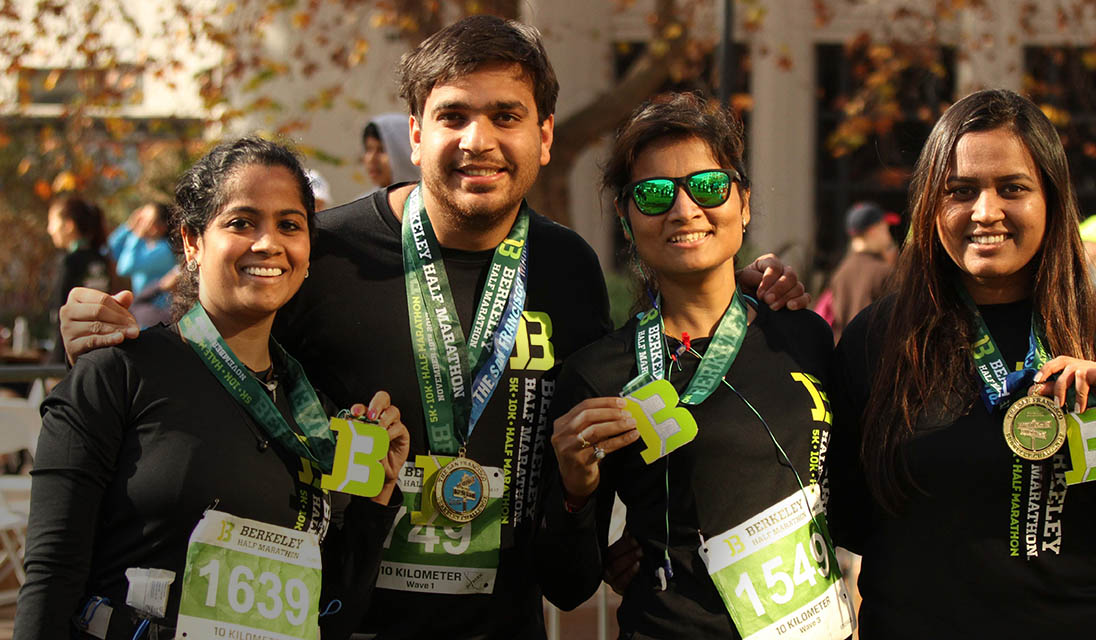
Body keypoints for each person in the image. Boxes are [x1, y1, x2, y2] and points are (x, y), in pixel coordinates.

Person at [55, 16, 807, 640]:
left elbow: (627, 390)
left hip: (504, 624)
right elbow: (217, 364)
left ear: (545, 136)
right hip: (332, 620)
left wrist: (727, 285)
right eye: (453, 115)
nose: (477, 140)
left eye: (505, 116)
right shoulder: (329, 252)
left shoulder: (567, 268)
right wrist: (102, 328)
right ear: (415, 132)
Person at [827, 89, 1096, 638]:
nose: (985, 211)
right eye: (961, 190)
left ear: (1050, 197)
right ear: (931, 204)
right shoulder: (876, 340)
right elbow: (850, 518)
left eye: (1013, 188)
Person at [17, 137, 411, 639]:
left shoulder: (319, 418)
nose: (267, 243)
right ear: (191, 242)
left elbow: (333, 614)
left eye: (289, 225)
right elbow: (50, 577)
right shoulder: (115, 373)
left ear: (308, 252)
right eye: (241, 223)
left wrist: (376, 500)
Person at [541, 93, 853, 639]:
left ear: (744, 202)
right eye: (656, 194)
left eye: (709, 187)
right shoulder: (599, 373)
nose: (685, 210)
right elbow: (568, 586)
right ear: (625, 215)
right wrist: (575, 493)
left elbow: (851, 501)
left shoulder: (803, 336)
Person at [45, 195, 115, 364]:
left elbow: (61, 313)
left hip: (69, 355)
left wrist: (57, 360)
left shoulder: (70, 262)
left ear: (68, 225)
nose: (49, 229)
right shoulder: (102, 260)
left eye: (52, 222)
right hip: (101, 352)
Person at [826, 201, 899, 337]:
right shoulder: (884, 272)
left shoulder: (840, 272)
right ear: (873, 231)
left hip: (844, 353)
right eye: (885, 229)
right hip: (875, 354)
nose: (889, 236)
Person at [361, 112, 421, 190]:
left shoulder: (431, 200)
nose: (371, 159)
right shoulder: (366, 202)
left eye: (381, 150)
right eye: (368, 149)